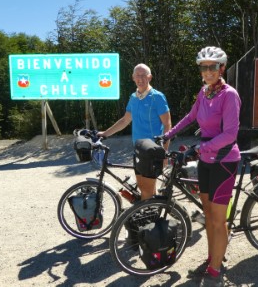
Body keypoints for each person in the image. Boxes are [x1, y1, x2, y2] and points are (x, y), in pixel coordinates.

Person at [163, 46, 241, 287]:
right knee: (207, 215)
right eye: (203, 67)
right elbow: (191, 116)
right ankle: (213, 257)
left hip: (224, 162)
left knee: (218, 219)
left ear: (221, 68)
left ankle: (216, 268)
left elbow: (230, 134)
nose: (207, 71)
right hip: (207, 161)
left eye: (212, 67)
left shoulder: (229, 95)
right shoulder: (205, 92)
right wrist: (168, 134)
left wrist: (201, 149)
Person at [98, 63, 171, 200]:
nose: (140, 78)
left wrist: (164, 153)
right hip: (138, 149)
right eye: (138, 75)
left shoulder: (158, 97)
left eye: (144, 75)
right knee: (143, 188)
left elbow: (167, 125)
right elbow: (125, 120)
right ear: (133, 77)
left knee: (147, 193)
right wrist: (105, 134)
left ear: (150, 77)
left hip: (152, 150)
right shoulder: (133, 97)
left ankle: (151, 219)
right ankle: (149, 216)